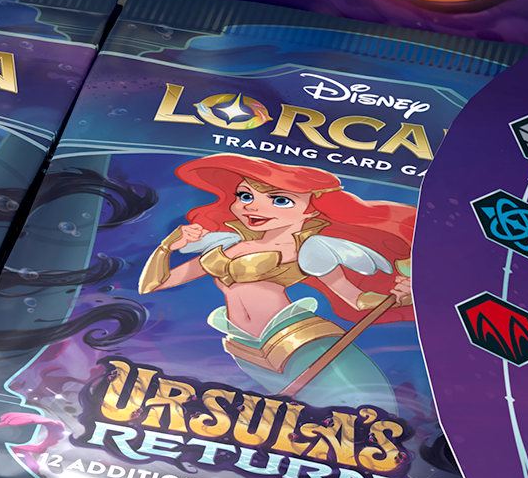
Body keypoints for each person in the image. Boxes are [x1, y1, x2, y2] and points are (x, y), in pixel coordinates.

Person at [137, 153, 414, 407]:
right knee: (301, 416)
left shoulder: (311, 249)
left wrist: (403, 296)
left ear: (310, 210)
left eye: (280, 200)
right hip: (243, 346)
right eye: (245, 195)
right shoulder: (227, 244)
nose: (251, 206)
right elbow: (153, 285)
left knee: (362, 408)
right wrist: (167, 247)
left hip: (301, 339)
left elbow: (356, 300)